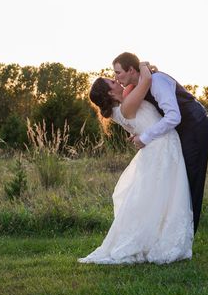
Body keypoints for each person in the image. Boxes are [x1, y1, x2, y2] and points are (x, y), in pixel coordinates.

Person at [78, 62, 193, 265]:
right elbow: (146, 79)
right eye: (112, 81)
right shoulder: (127, 105)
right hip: (160, 147)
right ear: (110, 93)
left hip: (159, 146)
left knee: (159, 196)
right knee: (164, 195)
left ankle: (156, 237)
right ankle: (152, 241)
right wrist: (140, 64)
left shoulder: (122, 104)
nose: (116, 80)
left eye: (115, 76)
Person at [112, 52, 208, 234]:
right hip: (181, 130)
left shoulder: (157, 81)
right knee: (178, 179)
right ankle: (170, 232)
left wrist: (145, 137)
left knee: (191, 180)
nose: (116, 77)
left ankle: (186, 235)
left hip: (196, 125)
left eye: (118, 73)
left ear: (131, 70)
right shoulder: (140, 85)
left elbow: (173, 116)